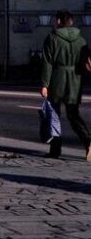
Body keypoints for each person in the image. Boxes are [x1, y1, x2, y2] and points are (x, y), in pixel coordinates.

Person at [40, 10, 90, 160]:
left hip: (57, 79)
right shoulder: (81, 40)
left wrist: (44, 84)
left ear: (59, 21)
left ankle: (55, 150)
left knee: (54, 115)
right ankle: (88, 141)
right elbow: (85, 63)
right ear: (72, 22)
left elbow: (47, 62)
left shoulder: (52, 38)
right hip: (75, 80)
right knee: (74, 115)